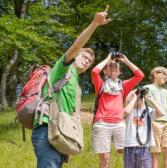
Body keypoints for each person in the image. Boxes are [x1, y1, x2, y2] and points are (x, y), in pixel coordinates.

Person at [31, 5, 111, 168]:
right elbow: (75, 47)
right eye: (84, 56)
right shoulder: (63, 68)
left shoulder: (78, 87)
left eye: (90, 61)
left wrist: (71, 137)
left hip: (62, 132)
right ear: (75, 56)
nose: (87, 61)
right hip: (47, 129)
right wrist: (95, 24)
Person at [91, 52, 144, 168]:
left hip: (119, 123)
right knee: (105, 157)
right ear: (105, 71)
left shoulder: (123, 85)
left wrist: (126, 61)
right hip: (102, 123)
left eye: (117, 67)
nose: (114, 68)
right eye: (111, 66)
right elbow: (94, 71)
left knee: (127, 152)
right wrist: (107, 59)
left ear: (120, 72)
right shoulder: (101, 84)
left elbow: (139, 75)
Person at [123, 88, 165, 168]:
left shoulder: (148, 110)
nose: (139, 97)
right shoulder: (129, 111)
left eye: (140, 97)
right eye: (135, 96)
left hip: (144, 148)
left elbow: (161, 113)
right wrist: (134, 97)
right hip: (129, 147)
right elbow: (125, 112)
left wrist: (151, 100)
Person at [144, 67, 167, 168]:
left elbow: (166, 107)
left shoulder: (166, 91)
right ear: (155, 74)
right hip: (154, 121)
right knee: (155, 152)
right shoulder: (147, 88)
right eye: (163, 74)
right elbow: (145, 104)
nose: (166, 77)